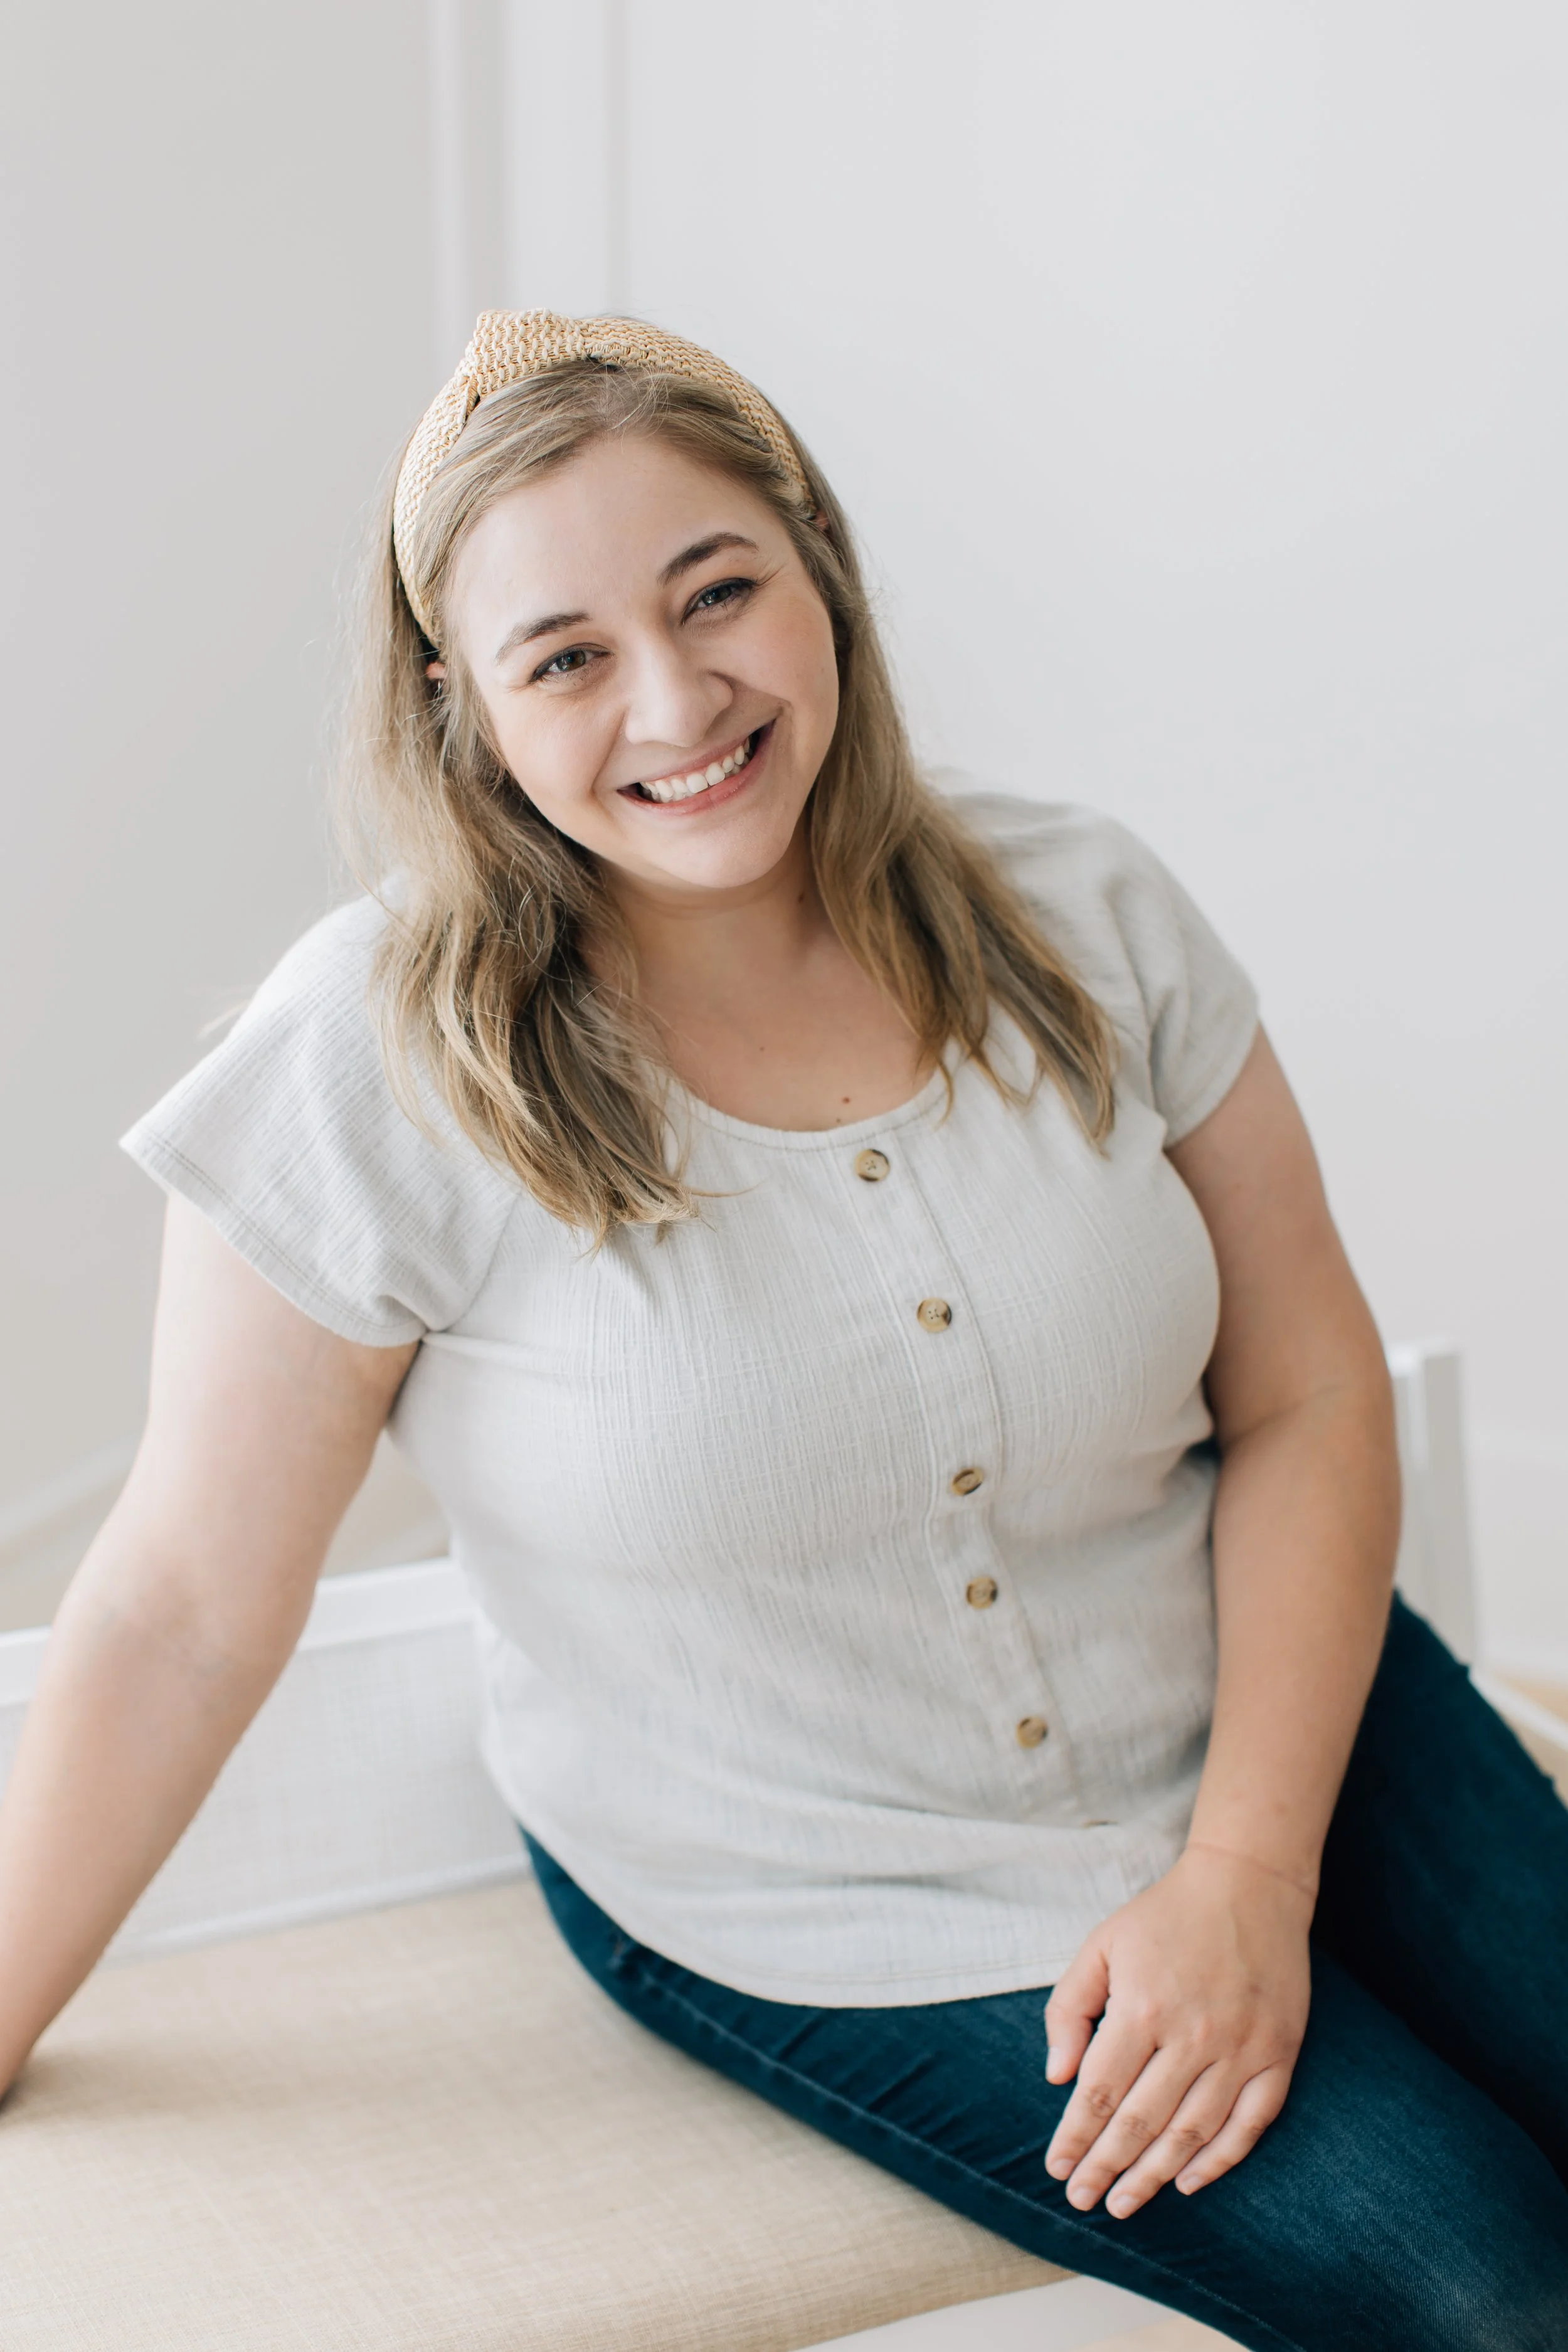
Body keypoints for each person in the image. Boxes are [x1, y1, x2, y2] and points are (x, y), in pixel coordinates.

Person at [1, 311, 1565, 2349]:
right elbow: (182, 1611)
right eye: (565, 657)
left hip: (1289, 1711)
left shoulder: (1088, 908)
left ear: (816, 561)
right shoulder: (368, 1066)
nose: (675, 701)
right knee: (1497, 2286)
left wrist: (1246, 1874)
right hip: (829, 1898)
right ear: (463, 709)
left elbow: (1304, 1393)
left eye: (715, 591)